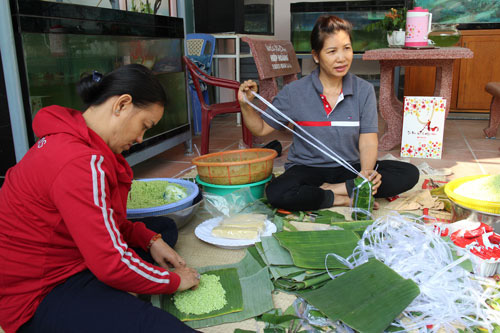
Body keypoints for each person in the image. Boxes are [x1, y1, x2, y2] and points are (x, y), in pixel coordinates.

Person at [0, 64, 200, 333]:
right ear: (122, 105)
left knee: (162, 229)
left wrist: (150, 240)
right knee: (153, 324)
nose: (141, 138)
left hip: (73, 257)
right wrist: (174, 281)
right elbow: (110, 263)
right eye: (144, 125)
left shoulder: (75, 137)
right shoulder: (81, 162)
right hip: (37, 294)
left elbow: (108, 221)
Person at [238, 15, 419, 212]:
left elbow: (368, 139)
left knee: (408, 173)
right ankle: (340, 199)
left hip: (351, 168)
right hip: (308, 168)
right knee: (277, 192)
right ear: (316, 56)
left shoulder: (363, 90)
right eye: (332, 51)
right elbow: (262, 129)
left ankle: (337, 189)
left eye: (347, 48)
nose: (342, 58)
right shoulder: (295, 92)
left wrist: (365, 174)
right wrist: (246, 105)